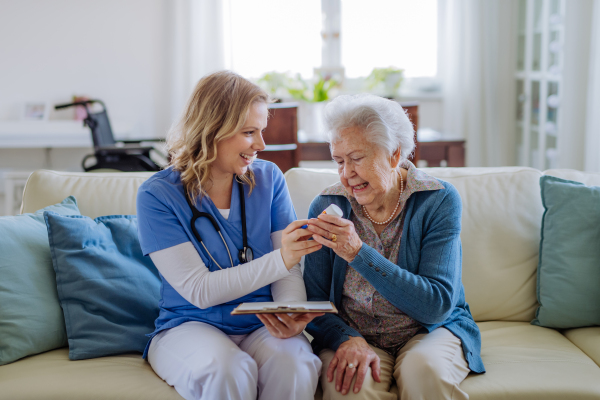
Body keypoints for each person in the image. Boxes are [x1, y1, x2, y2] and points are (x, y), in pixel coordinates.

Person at [136, 71, 323, 400]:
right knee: (227, 369)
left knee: (295, 363)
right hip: (190, 326)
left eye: (261, 131)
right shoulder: (158, 195)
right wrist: (282, 258)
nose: (261, 145)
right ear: (212, 130)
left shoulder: (268, 179)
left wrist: (290, 313)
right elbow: (200, 290)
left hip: (260, 323)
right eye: (249, 132)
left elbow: (288, 270)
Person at [303, 94, 485, 400]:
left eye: (357, 158)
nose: (346, 174)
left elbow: (436, 305)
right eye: (339, 161)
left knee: (423, 370)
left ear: (393, 154)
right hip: (356, 334)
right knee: (346, 385)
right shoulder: (328, 206)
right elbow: (315, 302)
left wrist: (358, 254)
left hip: (430, 331)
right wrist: (345, 338)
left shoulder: (438, 200)